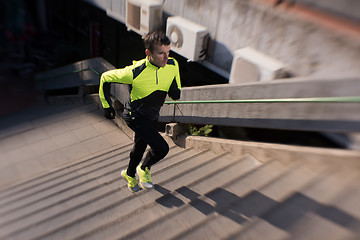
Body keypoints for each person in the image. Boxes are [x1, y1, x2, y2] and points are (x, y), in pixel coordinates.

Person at [98, 31, 181, 193]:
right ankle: (144, 168)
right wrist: (106, 105)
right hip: (134, 115)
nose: (166, 57)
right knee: (162, 148)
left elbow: (174, 81)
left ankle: (129, 174)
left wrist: (175, 89)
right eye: (161, 53)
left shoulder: (172, 64)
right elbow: (105, 77)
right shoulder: (135, 71)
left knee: (140, 146)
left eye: (168, 52)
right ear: (148, 53)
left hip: (152, 115)